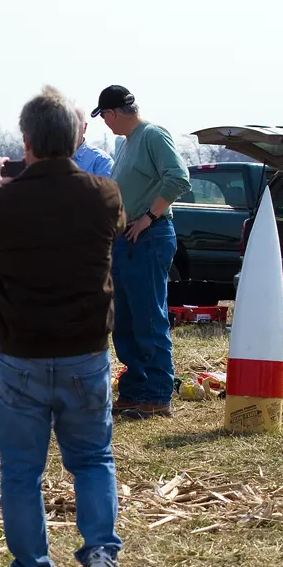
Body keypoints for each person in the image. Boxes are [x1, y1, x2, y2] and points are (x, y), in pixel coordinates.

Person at [0, 86, 127, 567]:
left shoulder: (2, 203)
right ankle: (101, 554)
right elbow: (112, 225)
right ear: (76, 137)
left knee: (22, 473)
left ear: (25, 142)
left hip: (21, 355)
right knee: (92, 459)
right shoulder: (104, 195)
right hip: (86, 353)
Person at [92, 85, 191, 419]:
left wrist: (149, 217)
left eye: (104, 116)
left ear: (113, 113)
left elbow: (178, 177)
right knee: (126, 320)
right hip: (126, 240)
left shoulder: (152, 135)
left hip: (147, 238)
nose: (105, 123)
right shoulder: (126, 143)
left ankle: (158, 394)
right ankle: (135, 390)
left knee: (148, 316)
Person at [72, 105, 114, 177]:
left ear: (84, 127)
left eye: (74, 125)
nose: (69, 129)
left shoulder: (101, 162)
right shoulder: (51, 158)